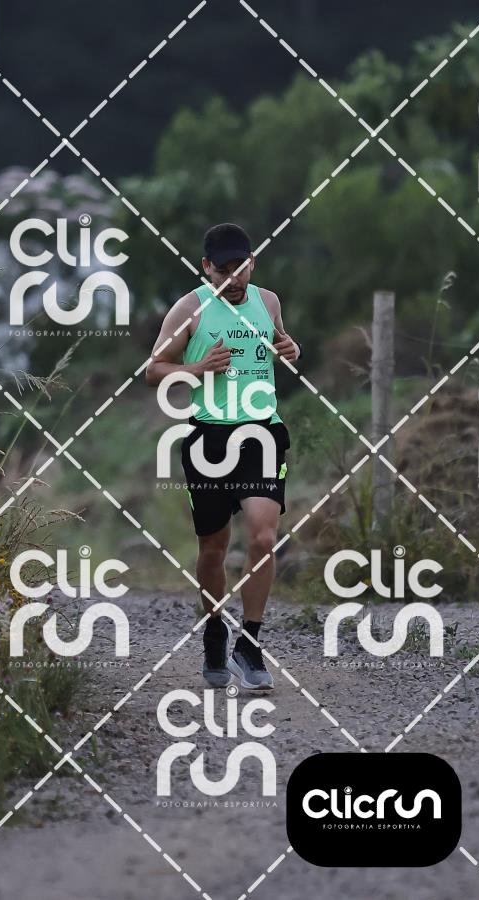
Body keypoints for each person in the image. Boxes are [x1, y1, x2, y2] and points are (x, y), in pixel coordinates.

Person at [146, 223, 301, 690]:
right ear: (206, 267)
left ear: (253, 262)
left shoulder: (268, 301)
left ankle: (248, 645)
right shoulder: (189, 309)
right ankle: (215, 630)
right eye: (224, 269)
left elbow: (278, 343)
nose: (235, 278)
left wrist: (290, 347)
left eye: (242, 267)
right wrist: (197, 368)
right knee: (213, 550)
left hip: (261, 433)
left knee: (263, 537)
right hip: (209, 440)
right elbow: (154, 369)